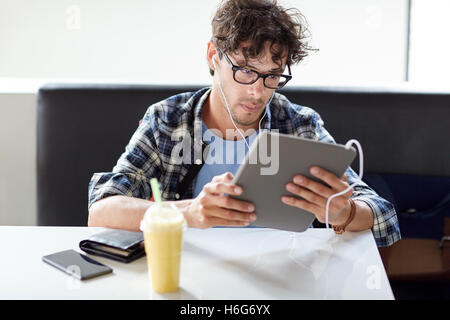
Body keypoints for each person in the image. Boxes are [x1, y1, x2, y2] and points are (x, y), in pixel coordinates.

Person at [88, 0, 400, 247]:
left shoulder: (298, 124)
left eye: (272, 76)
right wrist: (190, 213)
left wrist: (344, 213)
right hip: (190, 274)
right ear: (213, 56)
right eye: (245, 70)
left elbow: (383, 216)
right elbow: (102, 211)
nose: (257, 91)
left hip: (279, 277)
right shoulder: (167, 121)